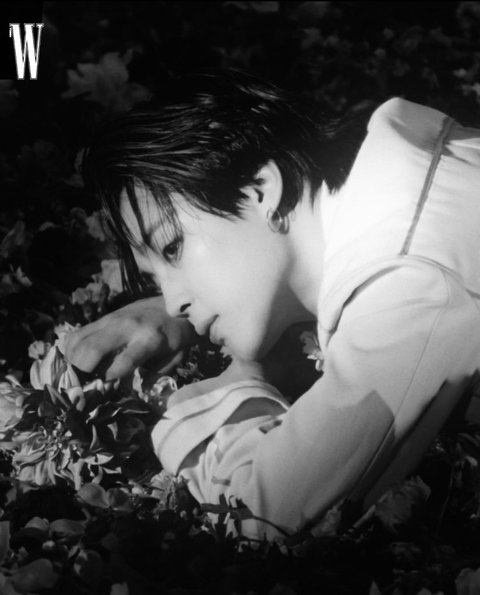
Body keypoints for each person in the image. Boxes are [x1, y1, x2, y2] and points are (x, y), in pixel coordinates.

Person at [65, 69, 480, 543]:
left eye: (173, 248)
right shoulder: (406, 182)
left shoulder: (410, 280)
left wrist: (221, 400)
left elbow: (264, 512)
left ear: (260, 190)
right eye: (157, 279)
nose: (174, 301)